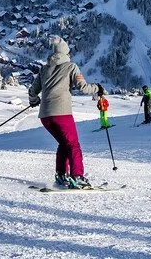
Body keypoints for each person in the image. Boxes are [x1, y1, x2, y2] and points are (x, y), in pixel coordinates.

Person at [28, 36, 103, 189]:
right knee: (73, 145)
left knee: (64, 143)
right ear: (66, 53)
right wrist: (98, 88)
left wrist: (34, 100)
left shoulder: (44, 68)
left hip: (45, 116)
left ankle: (61, 175)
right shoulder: (70, 67)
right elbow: (83, 88)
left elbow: (33, 91)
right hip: (61, 113)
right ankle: (78, 177)